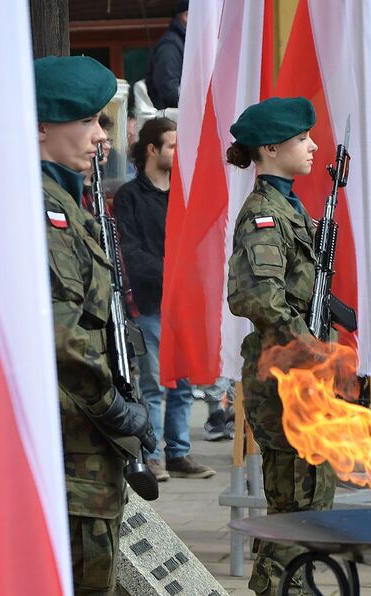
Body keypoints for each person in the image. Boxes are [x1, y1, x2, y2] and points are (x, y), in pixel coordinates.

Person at [34, 55, 155, 595]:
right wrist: (113, 407)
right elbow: (61, 333)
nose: (100, 135)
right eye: (87, 121)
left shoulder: (67, 201)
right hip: (68, 442)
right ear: (40, 128)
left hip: (81, 441)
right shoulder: (38, 207)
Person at [225, 96, 335, 595]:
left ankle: (295, 585)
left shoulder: (289, 205)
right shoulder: (264, 215)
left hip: (303, 374)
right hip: (286, 375)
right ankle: (280, 589)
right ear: (271, 148)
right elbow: (258, 297)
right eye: (302, 138)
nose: (313, 146)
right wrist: (309, 346)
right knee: (296, 508)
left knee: (311, 504)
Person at [114, 117, 216, 481]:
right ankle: (152, 454)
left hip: (185, 305)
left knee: (184, 383)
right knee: (155, 384)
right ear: (152, 149)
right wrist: (169, 274)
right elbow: (130, 249)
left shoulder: (183, 195)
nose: (178, 151)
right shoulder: (129, 196)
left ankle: (179, 453)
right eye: (172, 145)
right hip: (151, 303)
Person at [145, 1, 187, 110]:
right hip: (174, 121)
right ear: (186, 16)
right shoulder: (170, 46)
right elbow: (169, 90)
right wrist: (194, 106)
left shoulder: (181, 43)